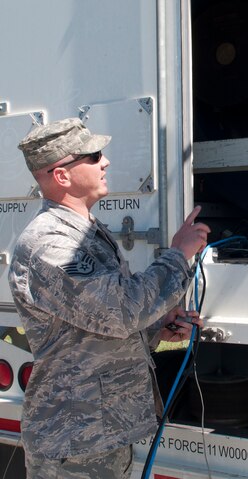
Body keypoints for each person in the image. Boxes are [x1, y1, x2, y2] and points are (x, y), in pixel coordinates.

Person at [8, 117, 211, 479]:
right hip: (75, 443)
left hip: (100, 436)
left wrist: (156, 328)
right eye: (93, 155)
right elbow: (119, 312)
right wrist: (178, 254)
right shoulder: (50, 244)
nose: (106, 162)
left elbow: (92, 326)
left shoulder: (84, 230)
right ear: (62, 176)